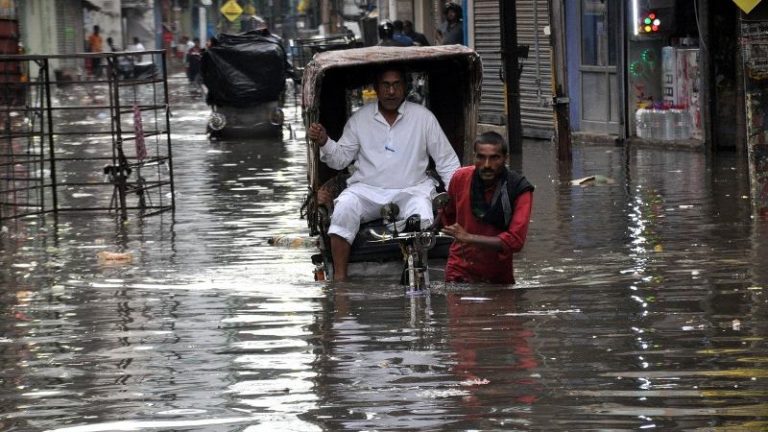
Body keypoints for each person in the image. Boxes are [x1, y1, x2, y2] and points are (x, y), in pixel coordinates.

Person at [307, 66, 460, 281]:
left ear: (404, 87)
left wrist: (460, 195)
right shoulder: (360, 119)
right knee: (343, 209)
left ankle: (419, 275)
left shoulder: (423, 118)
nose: (391, 91)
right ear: (376, 89)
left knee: (423, 216)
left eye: (396, 84)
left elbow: (447, 161)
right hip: (367, 191)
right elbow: (340, 159)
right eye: (386, 85)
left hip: (412, 189)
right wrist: (324, 141)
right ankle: (340, 282)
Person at [440, 131, 534, 284]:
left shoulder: (519, 188)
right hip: (459, 269)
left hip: (497, 273)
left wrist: (469, 237)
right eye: (481, 157)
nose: (487, 165)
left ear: (505, 158)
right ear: (474, 157)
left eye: (494, 158)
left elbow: (516, 241)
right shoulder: (460, 178)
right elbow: (448, 217)